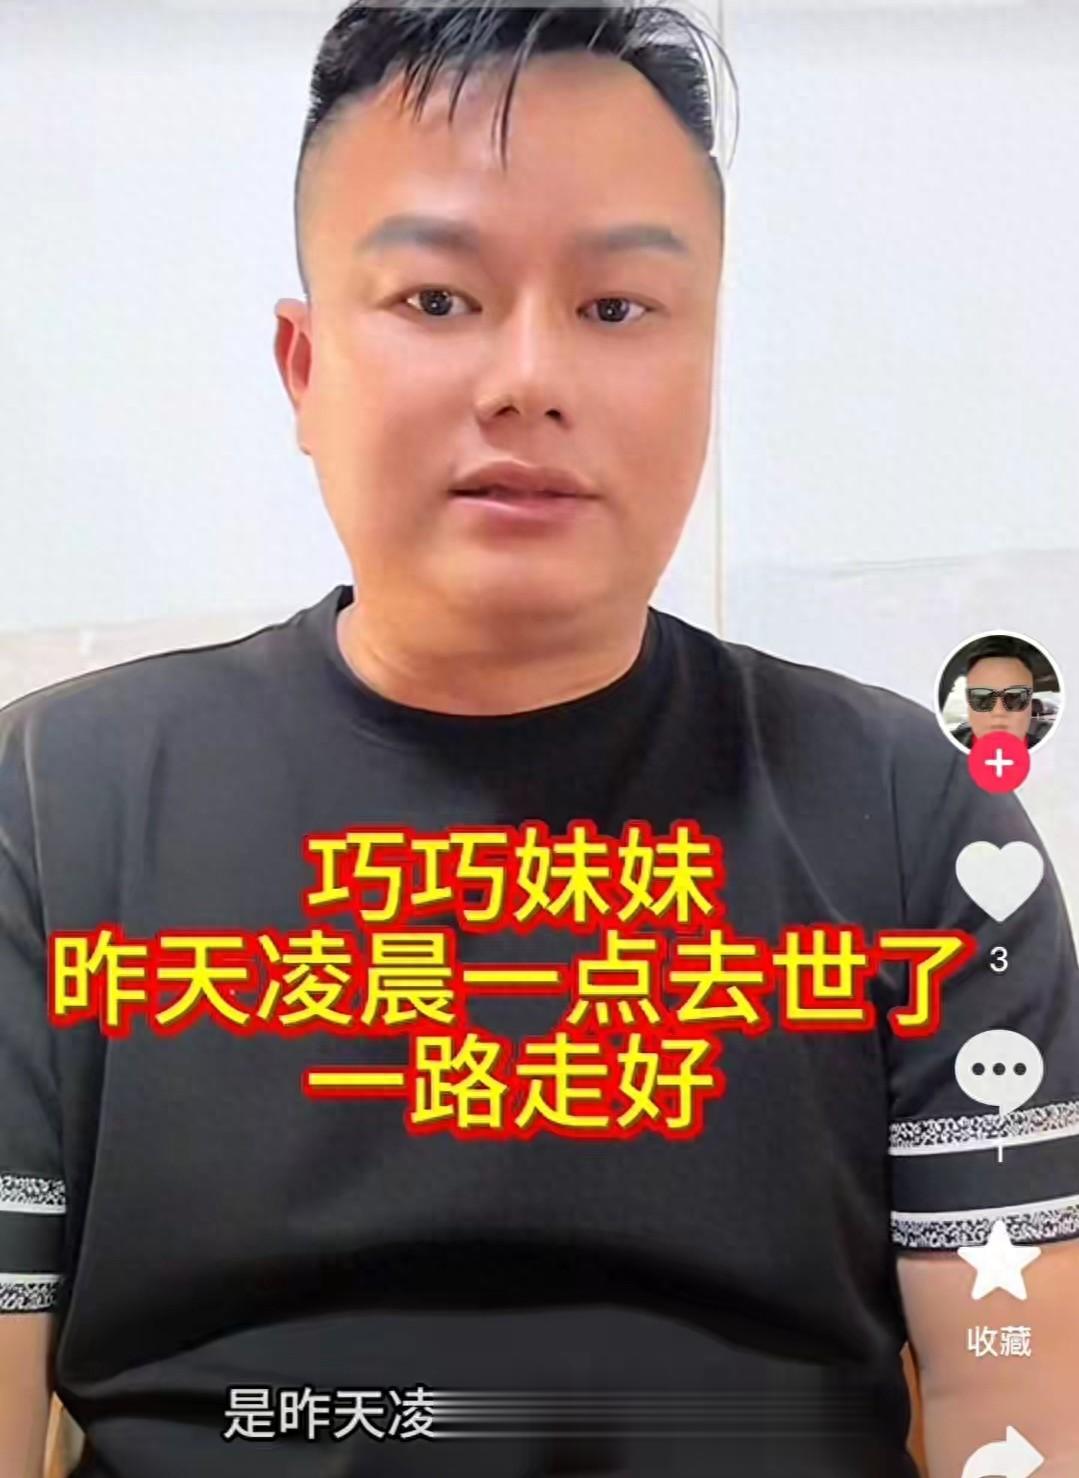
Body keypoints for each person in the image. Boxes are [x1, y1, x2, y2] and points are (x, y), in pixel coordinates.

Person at [2, 3, 1078, 1475]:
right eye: (437, 298)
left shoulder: (914, 821)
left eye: (615, 308)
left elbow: (1013, 1391)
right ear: (303, 368)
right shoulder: (54, 810)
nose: (527, 378)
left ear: (704, 364)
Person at [951, 641, 1055, 751]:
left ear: (1030, 705)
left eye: (1015, 697)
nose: (998, 711)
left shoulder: (1050, 753)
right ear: (968, 701)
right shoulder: (944, 747)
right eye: (983, 697)